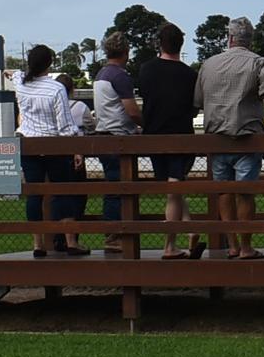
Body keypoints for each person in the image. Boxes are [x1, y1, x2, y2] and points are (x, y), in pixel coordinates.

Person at [194, 17, 264, 260]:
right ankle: (245, 246)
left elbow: (198, 102)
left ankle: (231, 244)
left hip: (216, 138)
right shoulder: (257, 62)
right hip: (247, 137)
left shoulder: (209, 64)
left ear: (230, 38)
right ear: (249, 40)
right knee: (245, 193)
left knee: (223, 192)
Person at [137, 22, 206, 260]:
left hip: (154, 137)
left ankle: (189, 229)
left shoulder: (146, 70)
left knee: (172, 188)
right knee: (174, 188)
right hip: (181, 137)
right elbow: (195, 108)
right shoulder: (189, 75)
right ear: (181, 44)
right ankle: (171, 245)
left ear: (160, 43)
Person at [13, 45, 89, 257]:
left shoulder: (21, 84)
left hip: (29, 145)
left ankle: (38, 244)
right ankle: (70, 241)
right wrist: (75, 148)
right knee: (63, 192)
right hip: (54, 145)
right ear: (50, 64)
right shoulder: (56, 89)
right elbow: (65, 126)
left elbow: (14, 74)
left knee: (34, 195)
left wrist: (12, 72)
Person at [93, 31, 141, 253]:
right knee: (119, 189)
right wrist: (146, 124)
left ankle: (114, 234)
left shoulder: (102, 74)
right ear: (126, 51)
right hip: (118, 137)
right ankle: (116, 236)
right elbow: (132, 111)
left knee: (112, 188)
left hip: (104, 134)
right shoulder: (120, 76)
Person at [53, 73, 92, 252]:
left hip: (56, 156)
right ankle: (73, 238)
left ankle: (58, 237)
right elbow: (90, 126)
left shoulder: (51, 107)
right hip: (77, 156)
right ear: (72, 90)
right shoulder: (81, 106)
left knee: (58, 196)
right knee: (78, 198)